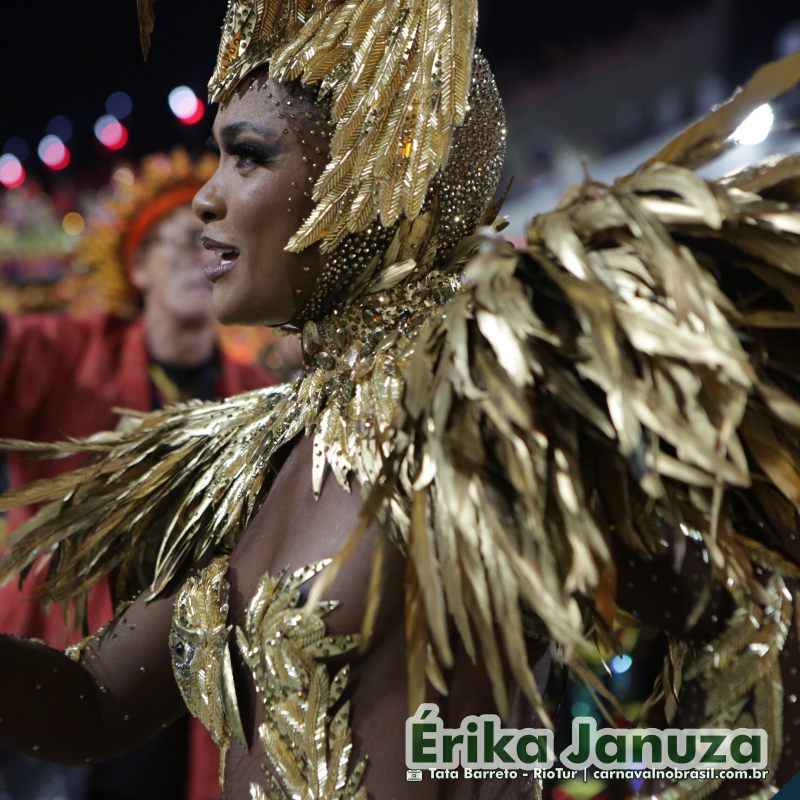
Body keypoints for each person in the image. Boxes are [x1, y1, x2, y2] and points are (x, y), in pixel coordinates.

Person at [0, 2, 800, 798]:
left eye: (247, 158)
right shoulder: (247, 456)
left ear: (371, 172)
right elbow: (94, 705)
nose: (207, 197)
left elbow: (750, 626)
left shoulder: (487, 395)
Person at [0, 149, 274, 800]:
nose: (200, 252)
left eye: (213, 243)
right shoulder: (68, 356)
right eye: (179, 241)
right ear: (139, 266)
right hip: (63, 671)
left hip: (186, 698)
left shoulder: (257, 397)